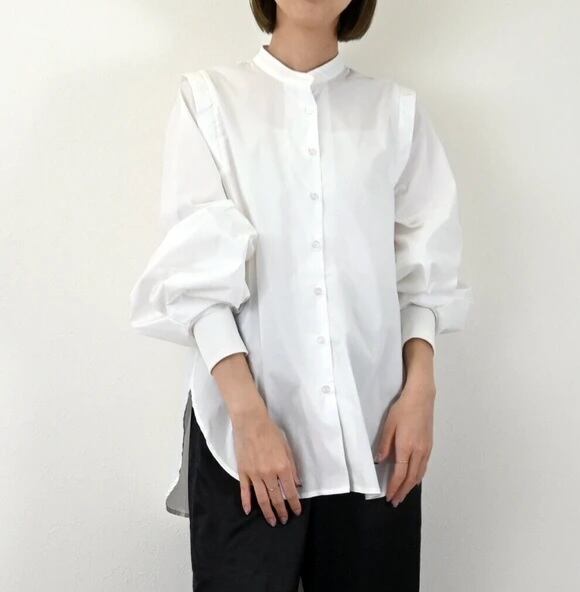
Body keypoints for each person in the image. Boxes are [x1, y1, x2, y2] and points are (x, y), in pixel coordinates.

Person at [129, 0, 472, 590]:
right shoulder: (209, 101)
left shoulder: (395, 112)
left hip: (376, 437)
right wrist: (248, 417)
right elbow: (194, 280)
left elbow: (424, 273)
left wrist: (421, 393)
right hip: (245, 441)